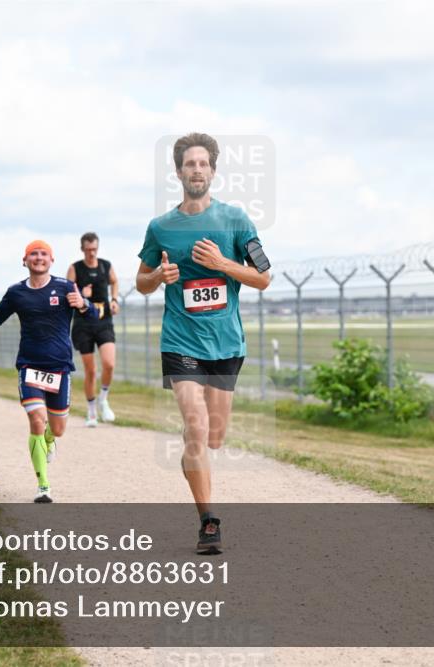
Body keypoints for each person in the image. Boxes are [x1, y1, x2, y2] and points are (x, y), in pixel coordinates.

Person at [136, 133, 271, 555]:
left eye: (203, 164)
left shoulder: (236, 220)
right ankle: (208, 520)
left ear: (212, 171)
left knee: (213, 437)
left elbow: (264, 277)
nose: (196, 170)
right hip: (180, 340)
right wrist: (159, 277)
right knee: (194, 426)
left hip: (226, 342)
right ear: (178, 172)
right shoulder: (160, 228)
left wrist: (222, 264)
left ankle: (195, 453)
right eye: (189, 164)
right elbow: (140, 282)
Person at [0, 240, 97, 503]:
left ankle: (50, 439)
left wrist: (83, 304)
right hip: (29, 366)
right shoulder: (16, 292)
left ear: (51, 260)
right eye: (33, 254)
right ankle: (43, 485)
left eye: (44, 253)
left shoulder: (66, 288)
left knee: (57, 429)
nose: (38, 257)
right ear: (25, 261)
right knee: (36, 419)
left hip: (60, 368)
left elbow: (94, 318)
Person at [67, 232, 120, 427]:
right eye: (88, 250)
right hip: (83, 324)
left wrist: (114, 300)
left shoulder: (106, 265)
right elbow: (68, 295)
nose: (91, 253)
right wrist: (82, 294)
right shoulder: (75, 269)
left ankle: (103, 399)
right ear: (82, 249)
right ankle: (91, 413)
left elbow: (114, 281)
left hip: (104, 320)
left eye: (94, 249)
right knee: (91, 370)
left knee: (109, 364)